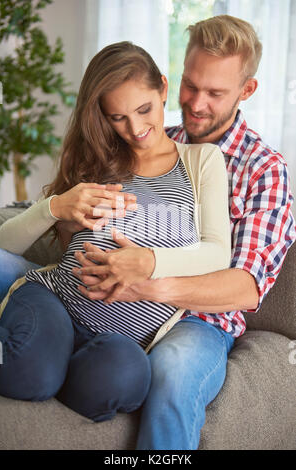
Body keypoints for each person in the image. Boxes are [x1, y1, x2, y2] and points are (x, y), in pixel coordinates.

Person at [61, 15, 296, 450]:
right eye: (191, 85)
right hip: (101, 292)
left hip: (198, 323)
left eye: (216, 92)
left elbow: (245, 288)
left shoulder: (264, 169)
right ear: (173, 79)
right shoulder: (151, 135)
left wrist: (148, 284)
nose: (197, 103)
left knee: (172, 374)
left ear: (247, 91)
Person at [0, 42, 232, 428]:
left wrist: (148, 261)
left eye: (144, 110)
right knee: (30, 373)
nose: (136, 129)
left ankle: (54, 368)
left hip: (122, 341)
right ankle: (39, 363)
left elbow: (216, 252)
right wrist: (55, 208)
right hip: (56, 300)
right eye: (118, 117)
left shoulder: (201, 161)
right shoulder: (99, 160)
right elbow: (6, 245)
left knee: (126, 378)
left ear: (162, 88)